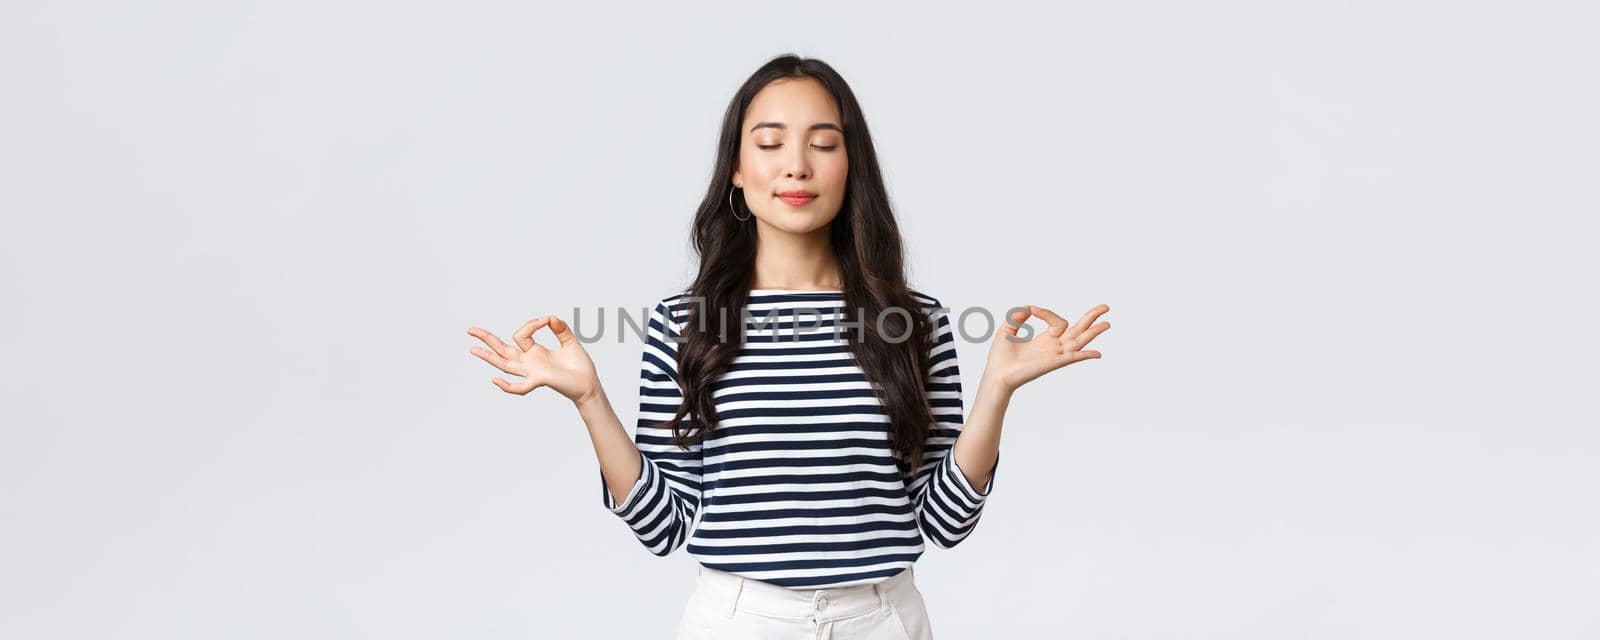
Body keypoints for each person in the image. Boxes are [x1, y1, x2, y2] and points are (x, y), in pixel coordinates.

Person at [467, 53, 1111, 639]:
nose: (797, 164)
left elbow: (943, 521)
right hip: (737, 622)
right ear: (737, 173)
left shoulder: (914, 322)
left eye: (823, 143)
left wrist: (996, 391)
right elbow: (664, 525)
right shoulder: (684, 323)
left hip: (883, 621)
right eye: (770, 143)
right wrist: (589, 399)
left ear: (851, 167)